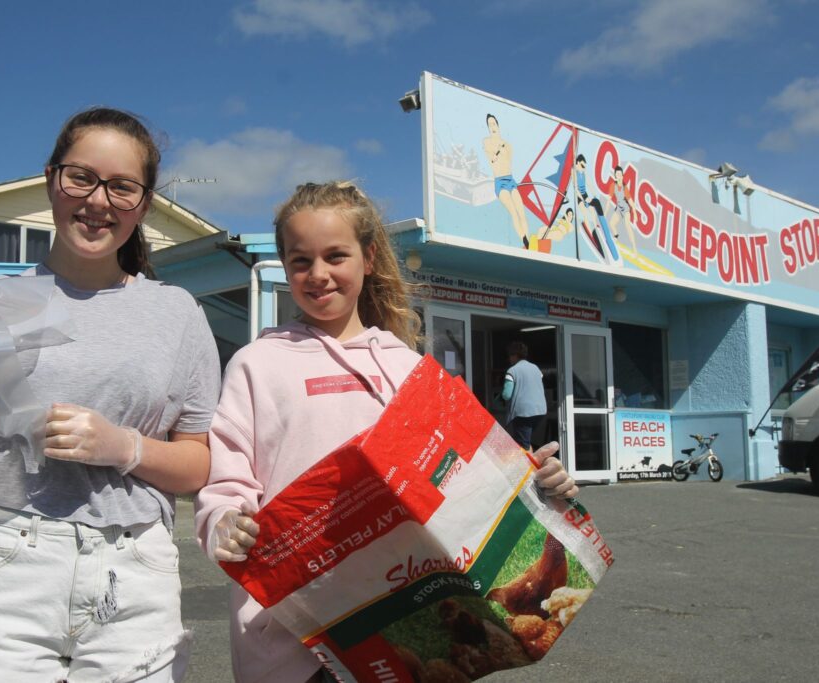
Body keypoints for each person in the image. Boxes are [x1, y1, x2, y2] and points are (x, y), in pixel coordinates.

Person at [195, 181, 579, 683]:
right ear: (284, 266)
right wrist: (224, 521)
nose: (318, 274)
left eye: (336, 256)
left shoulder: (408, 367)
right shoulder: (256, 364)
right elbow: (226, 482)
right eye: (300, 261)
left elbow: (471, 476)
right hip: (292, 635)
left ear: (369, 258)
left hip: (400, 617)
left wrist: (540, 484)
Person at [0, 107, 220, 682]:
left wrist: (124, 447)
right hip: (6, 564)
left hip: (134, 570)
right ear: (51, 180)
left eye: (122, 187)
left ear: (144, 204)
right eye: (81, 178)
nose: (98, 201)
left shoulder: (178, 314)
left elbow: (199, 465)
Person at [483, 114, 530, 248]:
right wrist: (499, 150)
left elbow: (509, 161)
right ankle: (524, 239)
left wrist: (503, 150)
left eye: (494, 124)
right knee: (513, 212)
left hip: (510, 180)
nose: (492, 127)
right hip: (500, 182)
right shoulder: (487, 141)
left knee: (522, 213)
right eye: (490, 125)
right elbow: (492, 159)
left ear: (498, 125)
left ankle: (528, 244)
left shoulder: (508, 144)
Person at [502, 341, 548, 450]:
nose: (509, 359)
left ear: (515, 355)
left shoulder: (512, 371)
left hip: (523, 413)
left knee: (522, 445)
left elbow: (506, 395)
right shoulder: (536, 368)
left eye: (510, 355)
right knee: (525, 439)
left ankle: (525, 460)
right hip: (540, 411)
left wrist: (502, 393)